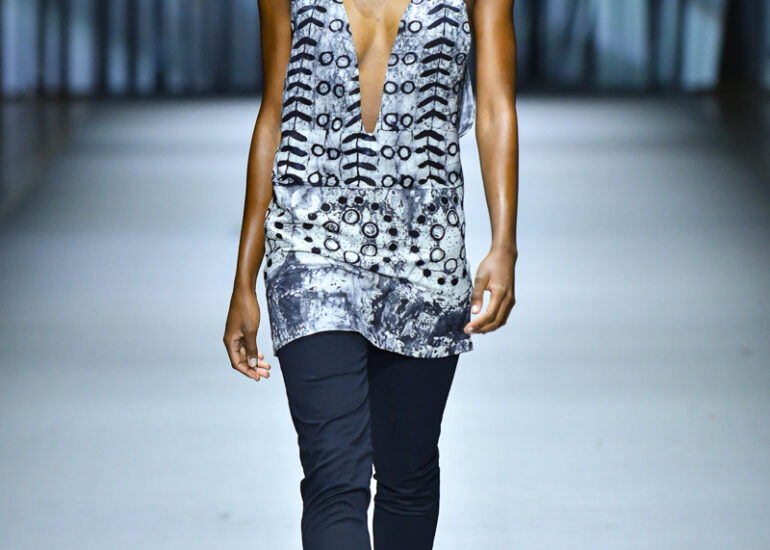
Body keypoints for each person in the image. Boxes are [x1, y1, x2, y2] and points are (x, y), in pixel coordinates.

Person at [224, 0, 518, 548]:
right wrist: (245, 280)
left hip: (425, 247)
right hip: (308, 241)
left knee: (408, 474)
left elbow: (496, 106)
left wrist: (504, 243)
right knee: (333, 477)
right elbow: (274, 112)